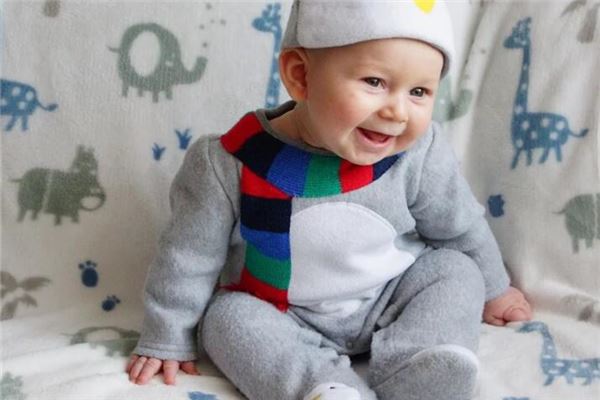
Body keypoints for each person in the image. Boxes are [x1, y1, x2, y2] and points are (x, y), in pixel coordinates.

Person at [126, 1, 533, 399]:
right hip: (283, 314)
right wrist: (167, 334)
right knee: (226, 318)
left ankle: (421, 366)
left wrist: (495, 289)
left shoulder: (417, 153)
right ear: (300, 75)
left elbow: (458, 225)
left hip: (391, 295)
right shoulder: (230, 161)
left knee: (457, 269)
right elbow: (188, 257)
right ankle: (323, 388)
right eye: (375, 82)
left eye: (419, 91)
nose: (397, 112)